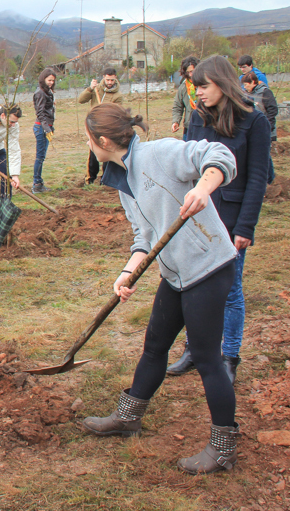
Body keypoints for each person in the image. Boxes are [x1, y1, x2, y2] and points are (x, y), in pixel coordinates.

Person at [80, 103, 240, 475]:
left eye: (89, 140)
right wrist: (127, 273)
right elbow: (144, 235)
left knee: (206, 358)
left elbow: (218, 154)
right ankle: (128, 417)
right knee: (154, 346)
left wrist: (204, 186)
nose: (89, 146)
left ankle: (224, 448)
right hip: (176, 275)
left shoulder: (160, 153)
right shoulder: (121, 179)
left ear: (102, 140)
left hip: (208, 268)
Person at [166, 56, 271, 384]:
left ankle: (229, 355)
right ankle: (194, 351)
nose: (197, 92)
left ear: (224, 84)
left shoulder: (255, 122)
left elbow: (257, 178)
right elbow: (185, 165)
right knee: (191, 284)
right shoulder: (198, 118)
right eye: (195, 86)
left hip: (231, 217)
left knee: (229, 289)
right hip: (197, 216)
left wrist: (245, 227)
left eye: (203, 86)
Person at [78, 67, 123, 184]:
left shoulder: (118, 95)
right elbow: (81, 100)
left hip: (107, 127)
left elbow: (117, 112)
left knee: (107, 153)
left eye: (112, 80)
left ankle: (106, 179)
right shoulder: (96, 89)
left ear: (115, 79)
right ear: (104, 77)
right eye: (108, 80)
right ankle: (90, 178)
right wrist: (90, 88)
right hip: (94, 125)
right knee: (93, 153)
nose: (109, 82)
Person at [242, 71, 278, 184]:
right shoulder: (247, 95)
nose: (244, 87)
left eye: (246, 84)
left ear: (253, 82)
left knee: (265, 155)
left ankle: (270, 179)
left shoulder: (265, 92)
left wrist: (269, 127)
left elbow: (273, 110)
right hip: (253, 130)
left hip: (267, 130)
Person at [32, 68, 57, 193]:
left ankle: (39, 182)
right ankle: (37, 184)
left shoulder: (47, 92)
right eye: (49, 80)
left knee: (42, 157)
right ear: (43, 79)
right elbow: (40, 112)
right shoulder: (41, 93)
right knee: (40, 157)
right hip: (41, 127)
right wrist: (47, 128)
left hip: (46, 126)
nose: (51, 82)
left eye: (53, 80)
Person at [171, 56, 199, 141]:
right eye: (188, 72)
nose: (191, 74)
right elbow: (177, 106)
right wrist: (176, 121)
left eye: (193, 71)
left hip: (204, 126)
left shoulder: (205, 85)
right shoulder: (183, 87)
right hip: (189, 128)